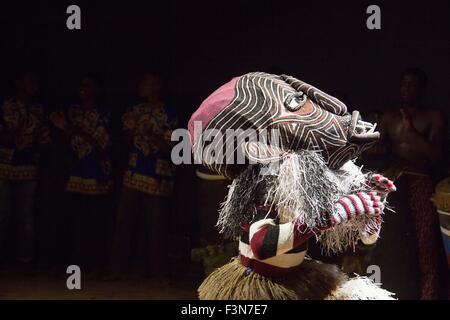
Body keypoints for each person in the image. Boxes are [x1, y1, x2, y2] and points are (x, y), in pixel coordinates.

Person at [377, 68, 448, 299]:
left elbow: (437, 156)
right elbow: (375, 150)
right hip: (395, 184)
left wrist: (411, 133)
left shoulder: (433, 116)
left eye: (412, 85)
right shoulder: (388, 116)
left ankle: (429, 295)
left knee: (425, 245)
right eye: (403, 84)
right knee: (394, 244)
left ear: (422, 88)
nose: (407, 89)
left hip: (421, 184)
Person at [108, 72, 177, 279]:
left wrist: (150, 135)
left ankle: (158, 273)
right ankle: (117, 270)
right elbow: (126, 141)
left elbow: (172, 148)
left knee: (155, 226)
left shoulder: (169, 113)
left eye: (146, 83)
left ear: (157, 86)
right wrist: (130, 130)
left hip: (158, 174)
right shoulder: (134, 109)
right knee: (123, 222)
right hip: (134, 170)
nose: (141, 86)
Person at [50, 76, 113, 275]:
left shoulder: (103, 113)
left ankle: (96, 264)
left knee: (96, 221)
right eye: (81, 85)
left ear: (96, 89)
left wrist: (70, 129)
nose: (83, 89)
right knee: (71, 220)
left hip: (97, 173)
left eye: (88, 85)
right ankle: (68, 265)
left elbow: (100, 142)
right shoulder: (73, 111)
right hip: (75, 174)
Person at [0, 72, 50, 272]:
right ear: (18, 82)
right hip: (3, 166)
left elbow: (44, 140)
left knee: (25, 216)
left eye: (35, 81)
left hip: (28, 168)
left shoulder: (38, 110)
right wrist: (11, 134)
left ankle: (25, 260)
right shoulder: (5, 106)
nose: (33, 85)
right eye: (29, 80)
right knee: (2, 215)